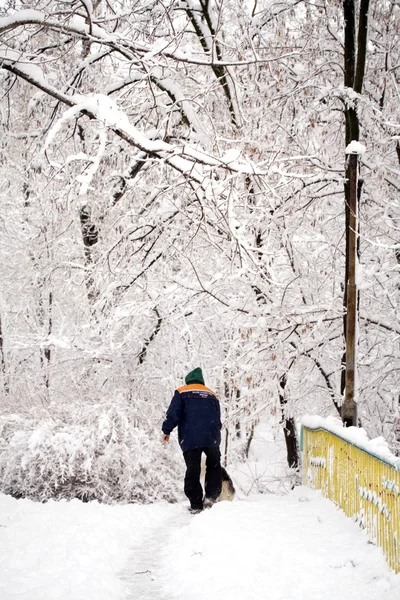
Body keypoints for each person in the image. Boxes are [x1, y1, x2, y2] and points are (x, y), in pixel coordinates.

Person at [162, 367, 222, 513]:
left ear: (188, 381)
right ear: (201, 381)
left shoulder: (181, 392)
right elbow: (218, 418)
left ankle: (196, 504)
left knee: (193, 469)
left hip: (191, 437)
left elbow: (173, 414)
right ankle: (211, 499)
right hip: (211, 437)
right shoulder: (212, 394)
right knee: (214, 466)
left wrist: (166, 430)